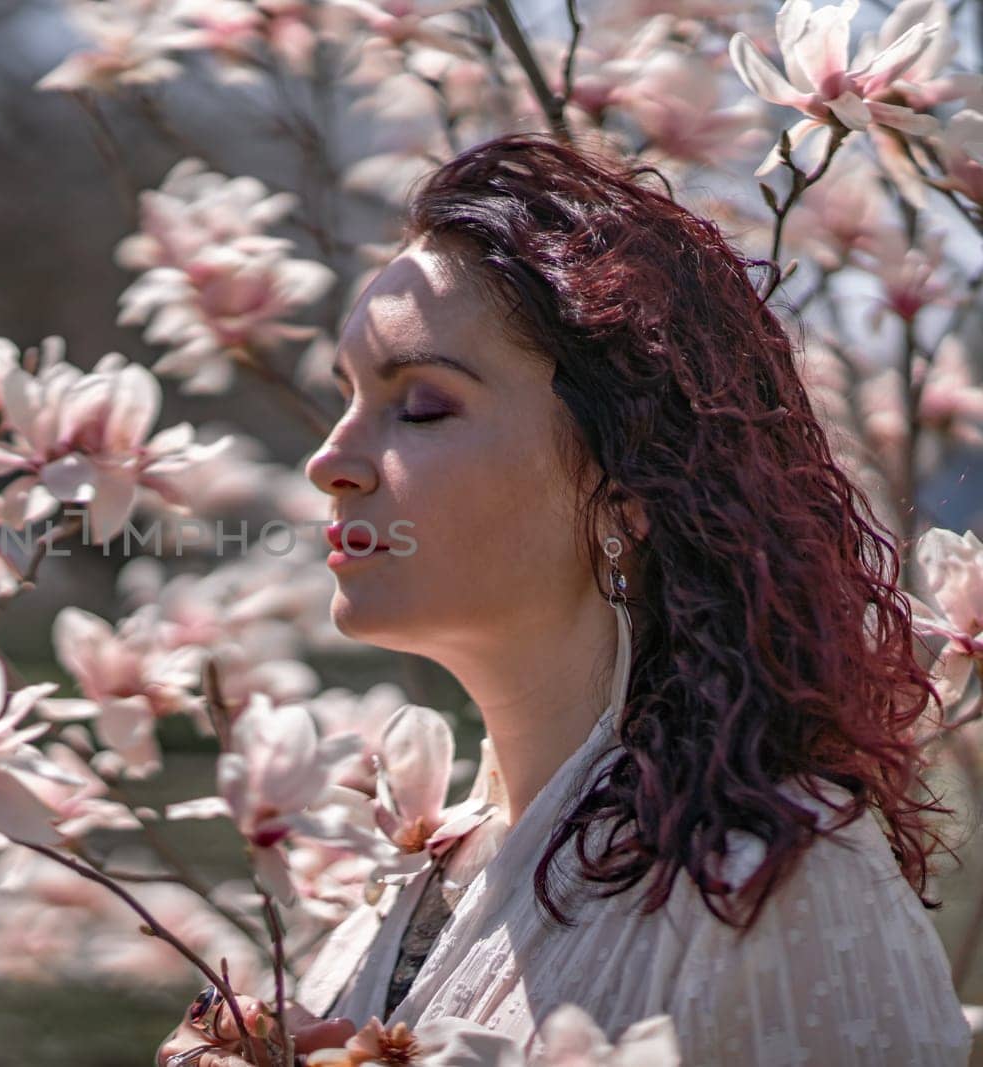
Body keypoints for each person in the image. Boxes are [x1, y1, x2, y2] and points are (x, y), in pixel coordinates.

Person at [156, 132, 975, 1066]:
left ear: (628, 481)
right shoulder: (416, 877)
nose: (329, 462)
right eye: (346, 399)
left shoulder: (772, 888)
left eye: (420, 406)